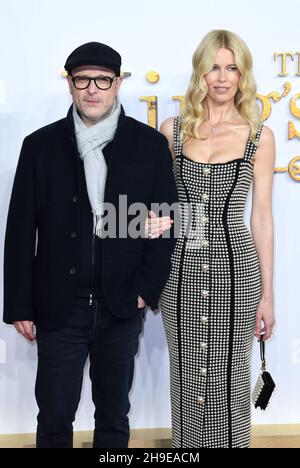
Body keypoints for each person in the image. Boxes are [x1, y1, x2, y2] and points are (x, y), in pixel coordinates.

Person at [3, 42, 177, 448]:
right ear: (70, 85)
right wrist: (19, 306)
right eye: (83, 79)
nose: (92, 89)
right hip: (58, 309)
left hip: (121, 308)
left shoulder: (147, 145)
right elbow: (19, 231)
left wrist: (145, 291)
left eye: (102, 79)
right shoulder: (40, 146)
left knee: (114, 417)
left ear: (117, 84)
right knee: (54, 417)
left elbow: (167, 224)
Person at [155, 30, 276, 448]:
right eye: (213, 67)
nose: (222, 78)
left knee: (230, 377)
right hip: (180, 273)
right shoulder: (171, 130)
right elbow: (156, 205)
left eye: (232, 68)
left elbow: (261, 217)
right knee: (186, 370)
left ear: (242, 76)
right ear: (199, 72)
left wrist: (268, 295)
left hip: (237, 274)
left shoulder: (259, 136)